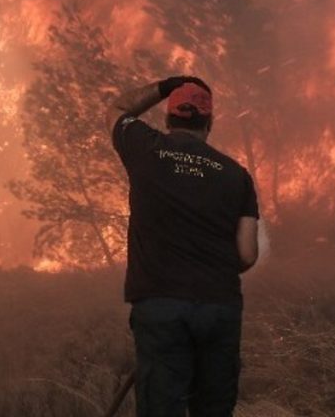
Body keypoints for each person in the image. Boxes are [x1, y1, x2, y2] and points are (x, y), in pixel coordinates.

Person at [111, 76, 260, 417]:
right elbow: (248, 253)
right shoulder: (236, 175)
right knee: (214, 409)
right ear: (209, 122)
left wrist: (166, 85)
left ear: (168, 118)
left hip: (161, 308)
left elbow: (116, 109)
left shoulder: (145, 148)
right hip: (218, 307)